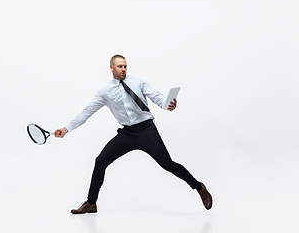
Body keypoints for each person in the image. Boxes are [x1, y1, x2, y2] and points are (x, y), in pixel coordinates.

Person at [54, 55, 212, 214]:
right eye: (119, 66)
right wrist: (66, 129)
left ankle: (199, 187)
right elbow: (87, 111)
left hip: (146, 131)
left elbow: (157, 97)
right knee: (100, 161)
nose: (123, 69)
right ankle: (91, 203)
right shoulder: (104, 92)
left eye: (125, 66)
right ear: (111, 68)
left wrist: (167, 105)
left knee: (167, 164)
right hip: (127, 134)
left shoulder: (138, 82)